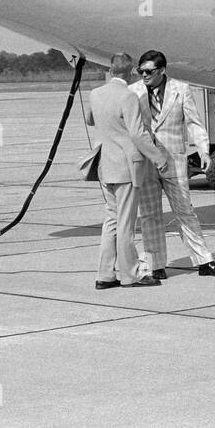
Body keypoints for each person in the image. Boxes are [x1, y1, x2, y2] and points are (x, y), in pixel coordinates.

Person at [129, 50, 215, 278]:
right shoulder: (133, 92)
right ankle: (156, 266)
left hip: (174, 161)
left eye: (149, 71)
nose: (144, 75)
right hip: (146, 162)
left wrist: (203, 150)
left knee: (185, 210)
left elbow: (194, 123)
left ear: (162, 70)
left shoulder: (181, 89)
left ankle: (205, 262)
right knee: (149, 214)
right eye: (140, 71)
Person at [85, 53, 169, 289]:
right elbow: (137, 134)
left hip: (105, 166)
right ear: (131, 71)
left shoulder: (95, 94)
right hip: (125, 168)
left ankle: (105, 275)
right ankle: (130, 275)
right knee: (125, 223)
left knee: (111, 220)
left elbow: (90, 120)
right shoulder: (128, 96)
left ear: (111, 70)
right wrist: (159, 158)